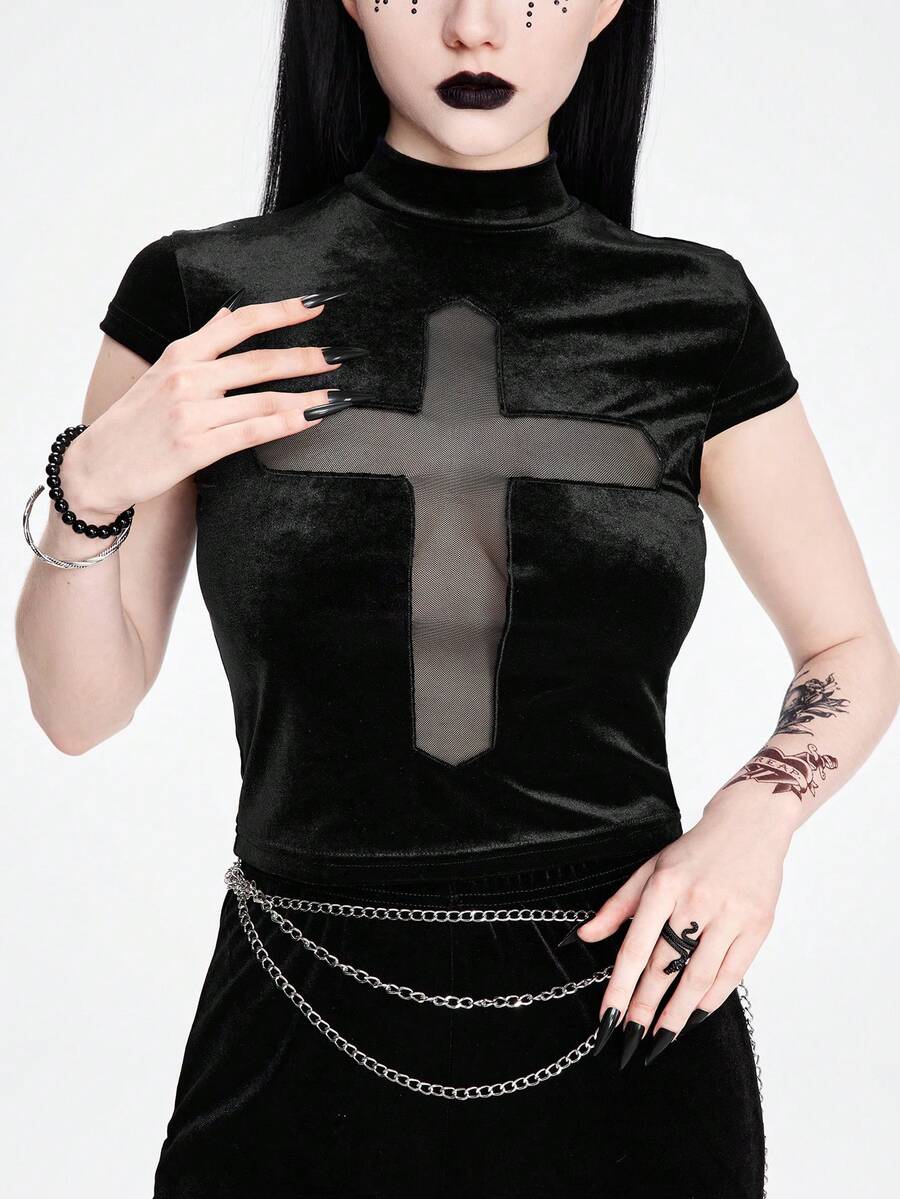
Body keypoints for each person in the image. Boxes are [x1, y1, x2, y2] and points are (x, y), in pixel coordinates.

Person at [15, 2, 899, 1197]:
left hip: (629, 1013)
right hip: (298, 1016)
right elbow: (78, 709)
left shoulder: (693, 312)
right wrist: (91, 483)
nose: (475, 29)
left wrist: (755, 822)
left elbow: (848, 642)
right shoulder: (208, 295)